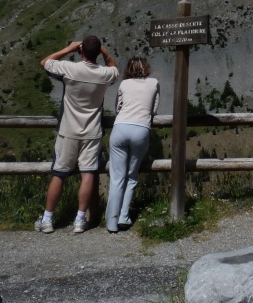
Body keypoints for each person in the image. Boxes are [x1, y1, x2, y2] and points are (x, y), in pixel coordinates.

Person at [34, 35, 118, 234]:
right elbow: (114, 69)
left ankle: (47, 218)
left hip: (68, 131)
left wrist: (68, 49)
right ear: (97, 52)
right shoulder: (105, 74)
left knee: (59, 174)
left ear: (80, 51)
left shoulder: (70, 69)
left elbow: (45, 62)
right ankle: (80, 219)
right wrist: (104, 52)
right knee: (88, 173)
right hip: (92, 131)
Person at [105, 56, 159, 233]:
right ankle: (124, 216)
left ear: (128, 69)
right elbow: (154, 110)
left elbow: (118, 108)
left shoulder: (124, 84)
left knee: (117, 177)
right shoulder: (154, 83)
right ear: (147, 68)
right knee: (131, 175)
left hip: (120, 128)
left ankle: (111, 223)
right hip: (141, 129)